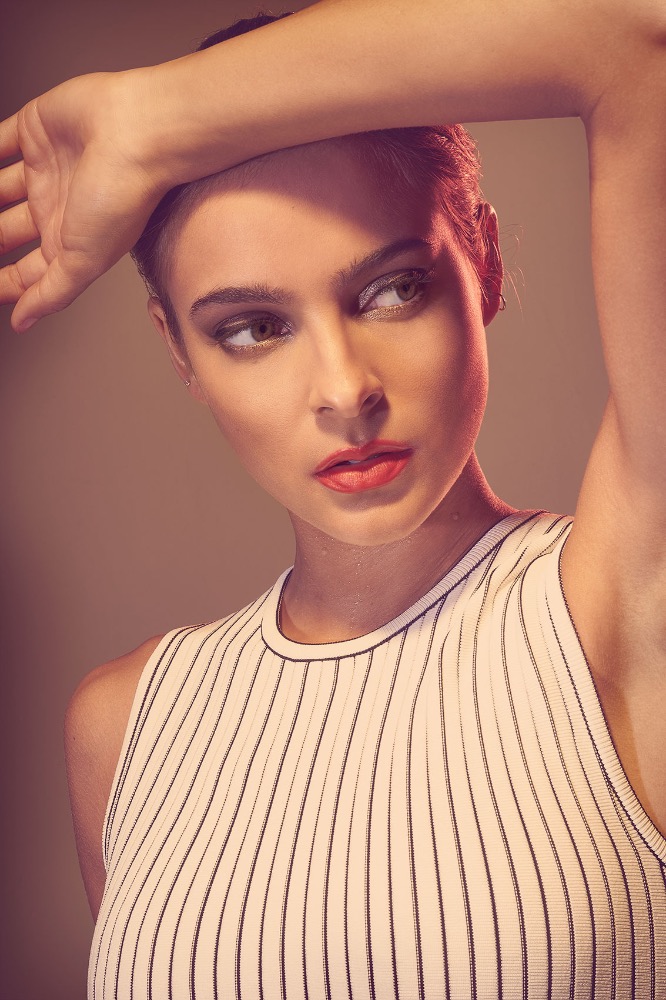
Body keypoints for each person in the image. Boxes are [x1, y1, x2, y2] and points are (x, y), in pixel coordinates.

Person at [1, 2, 665, 998]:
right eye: (252, 328)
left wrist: (153, 117)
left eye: (392, 290)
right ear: (179, 349)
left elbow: (635, 39)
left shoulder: (626, 603)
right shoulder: (124, 724)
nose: (345, 389)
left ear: (483, 261)